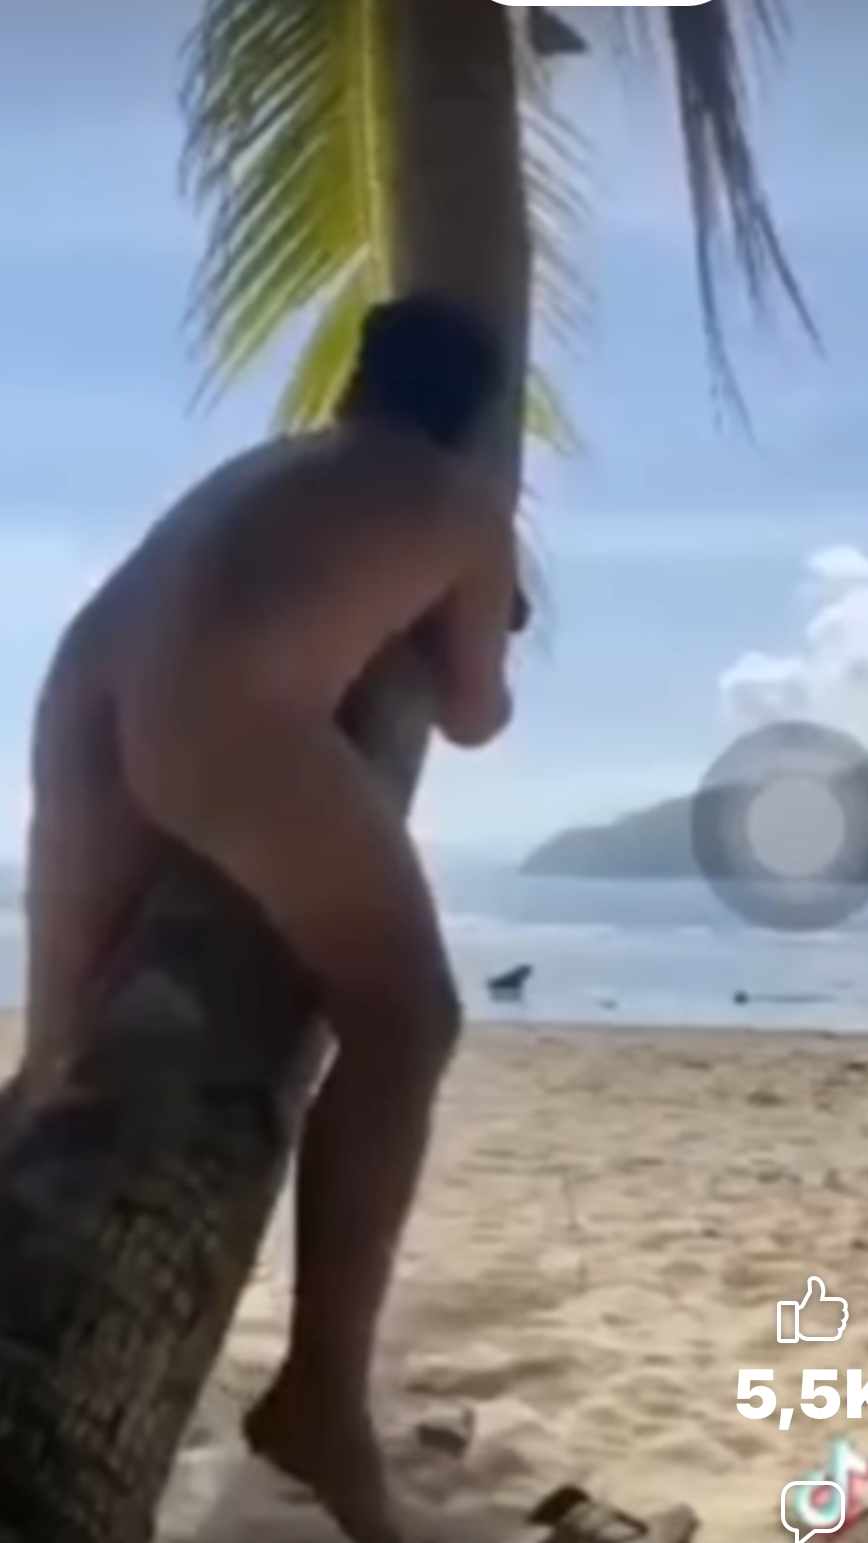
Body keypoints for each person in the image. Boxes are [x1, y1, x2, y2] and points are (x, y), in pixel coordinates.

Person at [22, 296, 523, 1543]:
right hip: (217, 712)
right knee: (408, 1019)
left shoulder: (263, 470)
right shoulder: (460, 500)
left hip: (85, 690)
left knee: (58, 1065)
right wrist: (483, 613)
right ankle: (320, 1394)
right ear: (475, 421)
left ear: (353, 387)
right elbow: (471, 714)